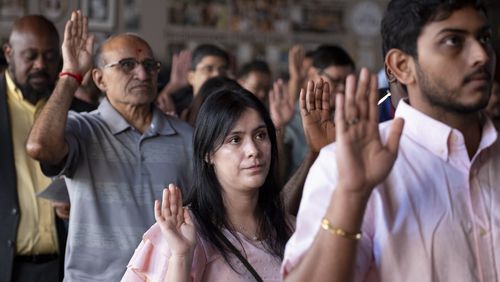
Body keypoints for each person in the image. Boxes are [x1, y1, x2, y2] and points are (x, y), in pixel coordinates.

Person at [283, 0, 498, 281]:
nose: (481, 55)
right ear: (401, 66)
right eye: (452, 41)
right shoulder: (343, 165)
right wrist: (352, 194)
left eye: (484, 38)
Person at [26, 11, 193, 281]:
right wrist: (70, 75)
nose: (142, 73)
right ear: (100, 79)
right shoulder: (83, 129)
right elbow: (39, 147)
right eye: (127, 65)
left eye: (150, 65)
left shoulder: (186, 137)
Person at [122, 87, 293, 281]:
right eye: (235, 140)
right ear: (208, 154)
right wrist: (181, 255)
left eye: (260, 135)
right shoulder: (181, 231)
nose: (253, 150)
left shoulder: (289, 229)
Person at [0, 15, 66, 282]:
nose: (41, 65)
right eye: (31, 56)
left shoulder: (75, 110)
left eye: (50, 57)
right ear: (9, 53)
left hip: (62, 266)